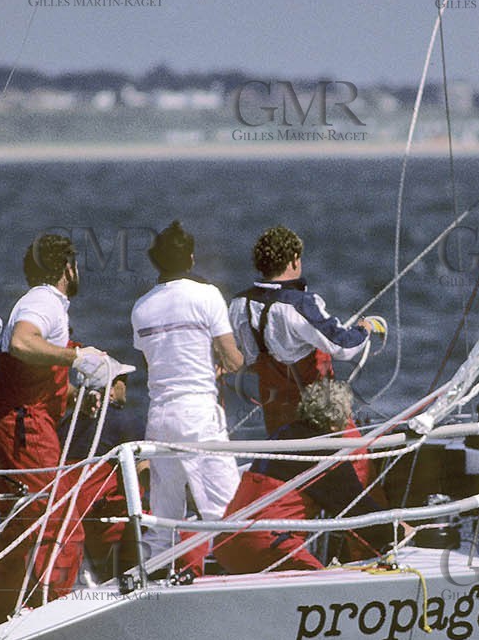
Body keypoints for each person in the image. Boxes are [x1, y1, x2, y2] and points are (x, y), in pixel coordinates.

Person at [0, 233, 104, 629]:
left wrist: (77, 385)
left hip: (12, 422)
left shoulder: (40, 302)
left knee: (21, 519)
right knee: (59, 515)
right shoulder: (43, 301)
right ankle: (52, 614)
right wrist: (75, 357)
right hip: (23, 424)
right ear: (68, 268)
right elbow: (22, 342)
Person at [130, 220, 243, 576]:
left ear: (156, 261)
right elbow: (232, 358)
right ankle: (241, 575)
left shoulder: (141, 308)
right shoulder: (207, 295)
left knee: (164, 513)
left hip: (160, 417)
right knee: (225, 509)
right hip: (197, 415)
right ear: (191, 259)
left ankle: (152, 580)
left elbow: (155, 359)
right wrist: (229, 363)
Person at [216, 379, 398, 574]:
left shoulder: (283, 435)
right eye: (348, 416)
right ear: (335, 425)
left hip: (226, 544)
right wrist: (400, 529)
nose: (350, 421)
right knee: (327, 589)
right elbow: (358, 511)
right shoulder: (326, 456)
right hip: (267, 544)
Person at [229, 225, 387, 438]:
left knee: (287, 462)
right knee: (351, 460)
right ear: (294, 260)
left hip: (275, 413)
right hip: (318, 410)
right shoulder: (301, 304)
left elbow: (245, 358)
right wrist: (365, 328)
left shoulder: (239, 304)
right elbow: (343, 347)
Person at [64, 349, 145, 583]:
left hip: (80, 530)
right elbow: (144, 475)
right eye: (123, 381)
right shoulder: (125, 422)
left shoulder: (65, 427)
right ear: (111, 387)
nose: (126, 387)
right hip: (115, 535)